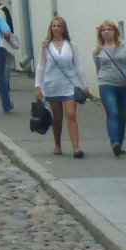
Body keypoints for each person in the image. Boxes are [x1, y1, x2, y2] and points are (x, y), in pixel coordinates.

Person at [38, 17, 92, 158]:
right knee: (57, 117)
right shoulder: (45, 45)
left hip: (69, 84)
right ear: (50, 29)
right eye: (54, 26)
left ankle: (76, 147)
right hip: (52, 84)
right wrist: (38, 86)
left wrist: (85, 84)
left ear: (63, 28)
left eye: (59, 26)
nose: (56, 28)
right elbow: (41, 66)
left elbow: (78, 66)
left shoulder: (71, 45)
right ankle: (57, 144)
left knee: (71, 114)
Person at [92, 21, 126, 157]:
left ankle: (120, 143)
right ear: (100, 34)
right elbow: (98, 69)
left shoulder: (125, 46)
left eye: (109, 29)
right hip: (106, 84)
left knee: (122, 115)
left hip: (123, 85)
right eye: (103, 30)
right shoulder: (98, 51)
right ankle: (115, 142)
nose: (106, 32)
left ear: (115, 31)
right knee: (113, 112)